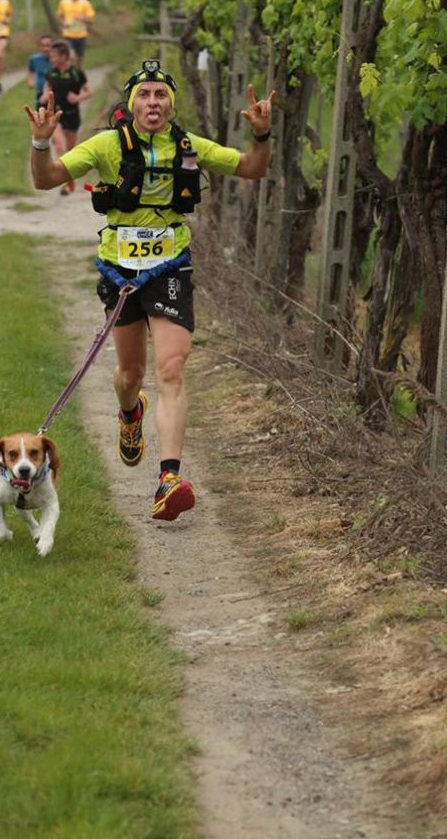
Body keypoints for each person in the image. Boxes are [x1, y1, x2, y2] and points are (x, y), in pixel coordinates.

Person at [25, 59, 275, 522]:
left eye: (161, 95)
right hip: (120, 272)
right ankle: (130, 413)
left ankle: (169, 479)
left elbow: (250, 169)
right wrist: (41, 141)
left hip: (170, 267)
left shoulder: (187, 146)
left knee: (173, 368)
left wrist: (261, 135)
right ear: (132, 104)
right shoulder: (104, 145)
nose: (153, 102)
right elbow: (46, 179)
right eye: (145, 95)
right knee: (128, 375)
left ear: (170, 105)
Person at [39, 39, 91, 195]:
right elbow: (47, 87)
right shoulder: (51, 72)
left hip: (72, 116)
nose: (51, 59)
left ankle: (71, 182)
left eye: (54, 56)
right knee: (61, 147)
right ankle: (64, 183)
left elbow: (89, 91)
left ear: (64, 57)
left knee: (70, 151)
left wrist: (77, 98)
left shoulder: (77, 73)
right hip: (55, 116)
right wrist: (43, 96)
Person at [56, 0, 95, 66]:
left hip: (81, 35)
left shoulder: (85, 3)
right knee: (71, 56)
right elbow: (59, 16)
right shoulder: (64, 2)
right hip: (68, 35)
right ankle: (70, 75)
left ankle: (78, 75)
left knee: (80, 59)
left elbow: (91, 20)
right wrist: (63, 23)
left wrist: (83, 18)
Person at [27, 34, 53, 110]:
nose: (45, 49)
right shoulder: (34, 59)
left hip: (54, 93)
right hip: (40, 92)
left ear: (52, 46)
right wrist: (30, 80)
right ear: (39, 47)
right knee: (40, 118)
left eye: (48, 46)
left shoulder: (56, 60)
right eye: (43, 46)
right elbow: (30, 70)